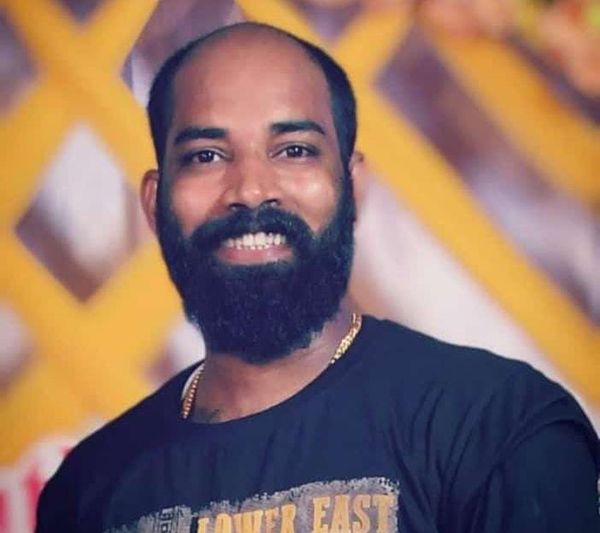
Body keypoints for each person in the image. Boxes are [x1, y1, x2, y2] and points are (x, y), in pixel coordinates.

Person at [36, 22, 599, 533]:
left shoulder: (495, 426)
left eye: (294, 150)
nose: (251, 189)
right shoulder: (91, 490)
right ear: (155, 204)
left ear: (354, 189)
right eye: (206, 156)